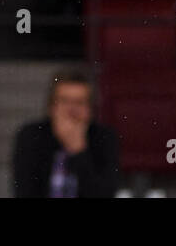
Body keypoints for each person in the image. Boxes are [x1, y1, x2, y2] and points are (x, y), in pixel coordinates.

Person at [12, 68, 119, 197]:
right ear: (51, 106)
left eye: (79, 102)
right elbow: (24, 191)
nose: (71, 110)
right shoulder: (31, 136)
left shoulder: (104, 138)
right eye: (64, 101)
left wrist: (78, 151)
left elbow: (104, 193)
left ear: (90, 109)